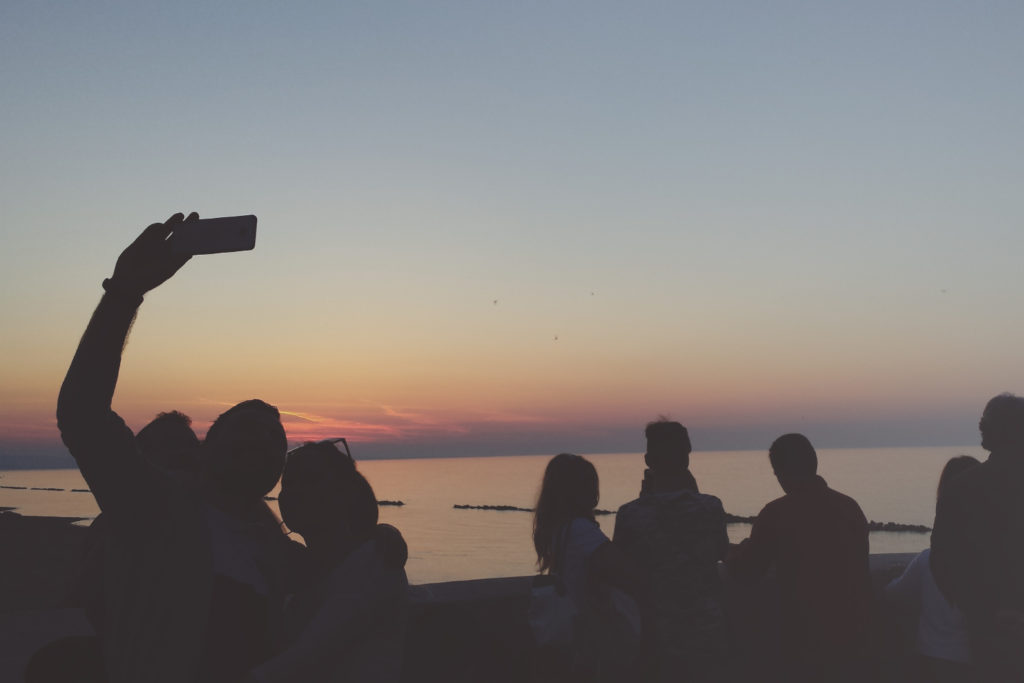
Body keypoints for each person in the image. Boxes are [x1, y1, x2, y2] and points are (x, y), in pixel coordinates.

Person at [56, 213, 295, 683]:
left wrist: (378, 542)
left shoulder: (275, 542)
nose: (260, 443)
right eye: (244, 431)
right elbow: (83, 414)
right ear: (206, 451)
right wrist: (124, 293)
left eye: (274, 441)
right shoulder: (153, 507)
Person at [247, 439, 410, 682]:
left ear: (347, 492)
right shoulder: (304, 561)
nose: (297, 491)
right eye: (289, 482)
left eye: (312, 479)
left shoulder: (373, 560)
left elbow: (302, 660)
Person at [726, 433, 872, 682]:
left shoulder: (776, 513)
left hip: (802, 636)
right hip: (854, 633)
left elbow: (747, 573)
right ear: (814, 462)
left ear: (781, 472)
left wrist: (730, 552)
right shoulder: (850, 507)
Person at [613, 420, 731, 682]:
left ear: (648, 460)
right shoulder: (710, 507)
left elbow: (622, 571)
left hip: (654, 631)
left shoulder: (630, 514)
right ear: (687, 457)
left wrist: (646, 500)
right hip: (706, 630)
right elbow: (721, 551)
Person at [931, 393, 1024, 681]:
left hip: (988, 628)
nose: (980, 426)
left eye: (985, 421)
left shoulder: (961, 488)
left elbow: (942, 562)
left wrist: (981, 610)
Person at [533, 453, 646, 682]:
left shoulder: (561, 529)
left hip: (581, 637)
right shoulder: (580, 530)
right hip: (596, 637)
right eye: (590, 484)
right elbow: (626, 572)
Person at [886, 455, 980, 682]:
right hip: (980, 660)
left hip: (933, 661)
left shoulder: (928, 561)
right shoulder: (995, 559)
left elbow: (894, 594)